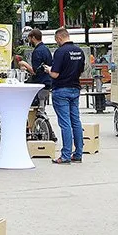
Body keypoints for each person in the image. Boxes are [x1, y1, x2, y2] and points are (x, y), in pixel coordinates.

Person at [49, 27, 85, 163]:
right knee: (76, 121)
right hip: (75, 89)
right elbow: (80, 70)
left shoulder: (60, 52)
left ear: (59, 38)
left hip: (61, 90)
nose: (57, 42)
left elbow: (55, 74)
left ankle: (65, 155)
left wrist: (48, 70)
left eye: (56, 40)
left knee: (65, 123)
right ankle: (78, 153)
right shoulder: (80, 51)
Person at [19, 28, 52, 106]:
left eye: (29, 39)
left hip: (39, 84)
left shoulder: (37, 51)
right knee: (42, 107)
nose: (29, 42)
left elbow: (35, 71)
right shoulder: (46, 49)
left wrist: (24, 63)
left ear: (33, 38)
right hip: (47, 82)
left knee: (36, 107)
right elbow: (42, 67)